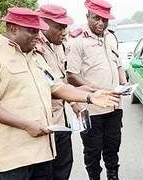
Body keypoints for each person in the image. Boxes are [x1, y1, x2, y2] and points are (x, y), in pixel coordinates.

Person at [0, 7, 119, 180]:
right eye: (32, 31)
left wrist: (89, 97)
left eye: (38, 31)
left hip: (42, 152)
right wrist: (26, 125)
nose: (37, 36)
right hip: (13, 157)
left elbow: (57, 87)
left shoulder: (36, 57)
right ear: (13, 29)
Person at [66, 0, 127, 179]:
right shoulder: (78, 40)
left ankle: (113, 175)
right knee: (92, 151)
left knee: (112, 147)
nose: (101, 23)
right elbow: (71, 75)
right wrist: (96, 91)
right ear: (87, 17)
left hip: (114, 106)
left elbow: (118, 65)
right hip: (91, 109)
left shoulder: (111, 37)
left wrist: (123, 82)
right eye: (96, 18)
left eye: (105, 19)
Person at [37, 4, 81, 180]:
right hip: (44, 123)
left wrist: (74, 103)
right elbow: (48, 86)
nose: (64, 32)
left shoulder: (58, 46)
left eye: (65, 27)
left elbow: (61, 80)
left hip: (61, 119)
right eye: (59, 27)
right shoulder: (34, 47)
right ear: (44, 23)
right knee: (46, 171)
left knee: (64, 166)